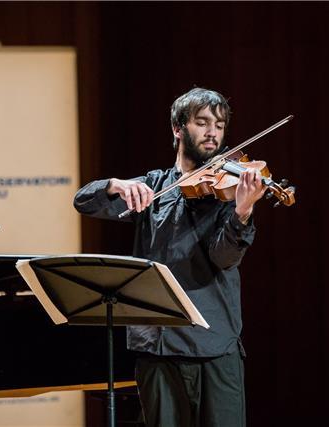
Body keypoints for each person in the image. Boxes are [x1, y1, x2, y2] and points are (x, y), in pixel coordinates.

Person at [73, 87, 266, 427]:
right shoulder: (153, 187)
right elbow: (83, 201)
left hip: (215, 345)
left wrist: (243, 210)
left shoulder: (228, 190)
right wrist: (115, 184)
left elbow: (224, 258)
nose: (212, 132)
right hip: (158, 347)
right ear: (178, 129)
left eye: (219, 125)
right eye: (202, 122)